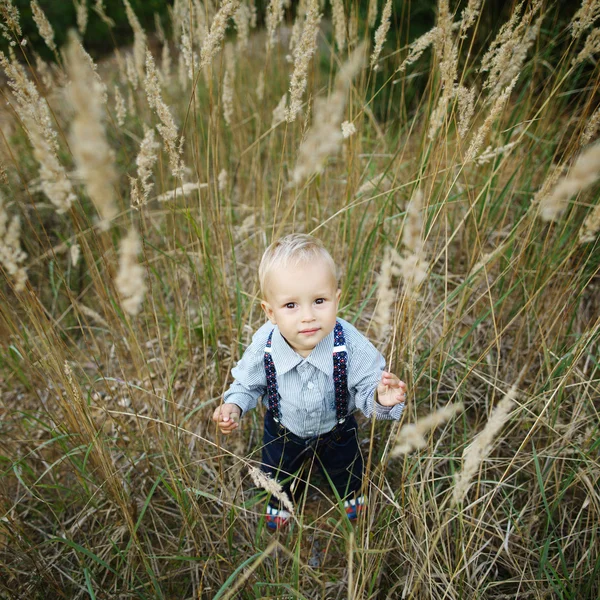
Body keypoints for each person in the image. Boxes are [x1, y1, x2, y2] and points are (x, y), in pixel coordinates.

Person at [212, 234, 407, 530]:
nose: (308, 316)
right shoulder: (264, 344)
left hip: (337, 429)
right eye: (291, 305)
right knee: (278, 469)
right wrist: (233, 405)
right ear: (270, 312)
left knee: (347, 464)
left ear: (336, 299)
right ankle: (281, 499)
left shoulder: (349, 344)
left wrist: (381, 397)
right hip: (283, 431)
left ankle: (350, 492)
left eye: (319, 301)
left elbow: (369, 387)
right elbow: (246, 384)